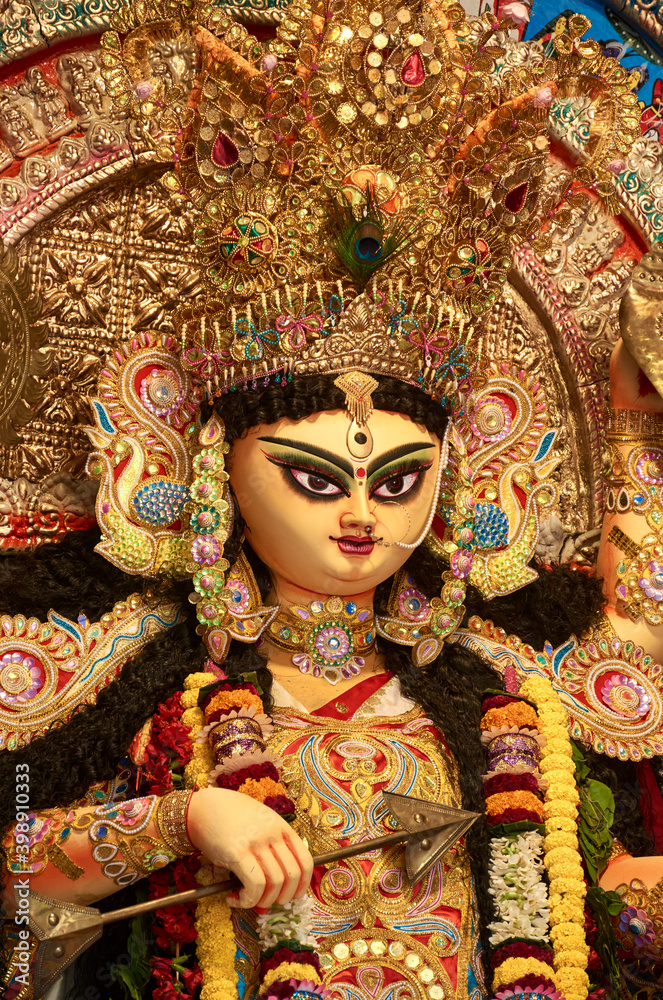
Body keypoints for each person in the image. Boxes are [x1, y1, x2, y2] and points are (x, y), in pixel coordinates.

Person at [1, 2, 663, 999]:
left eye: (400, 480)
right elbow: (14, 873)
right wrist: (181, 820)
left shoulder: (502, 694)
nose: (362, 514)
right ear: (213, 468)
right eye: (315, 476)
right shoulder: (136, 678)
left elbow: (599, 903)